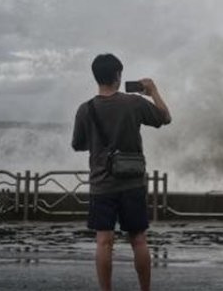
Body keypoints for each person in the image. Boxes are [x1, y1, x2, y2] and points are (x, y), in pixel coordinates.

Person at [71, 53, 171, 291]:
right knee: (138, 240)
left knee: (104, 242)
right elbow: (165, 118)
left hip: (101, 184)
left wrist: (99, 144)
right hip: (132, 182)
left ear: (96, 77)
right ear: (118, 76)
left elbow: (78, 144)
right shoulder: (133, 103)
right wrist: (153, 90)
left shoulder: (85, 109)